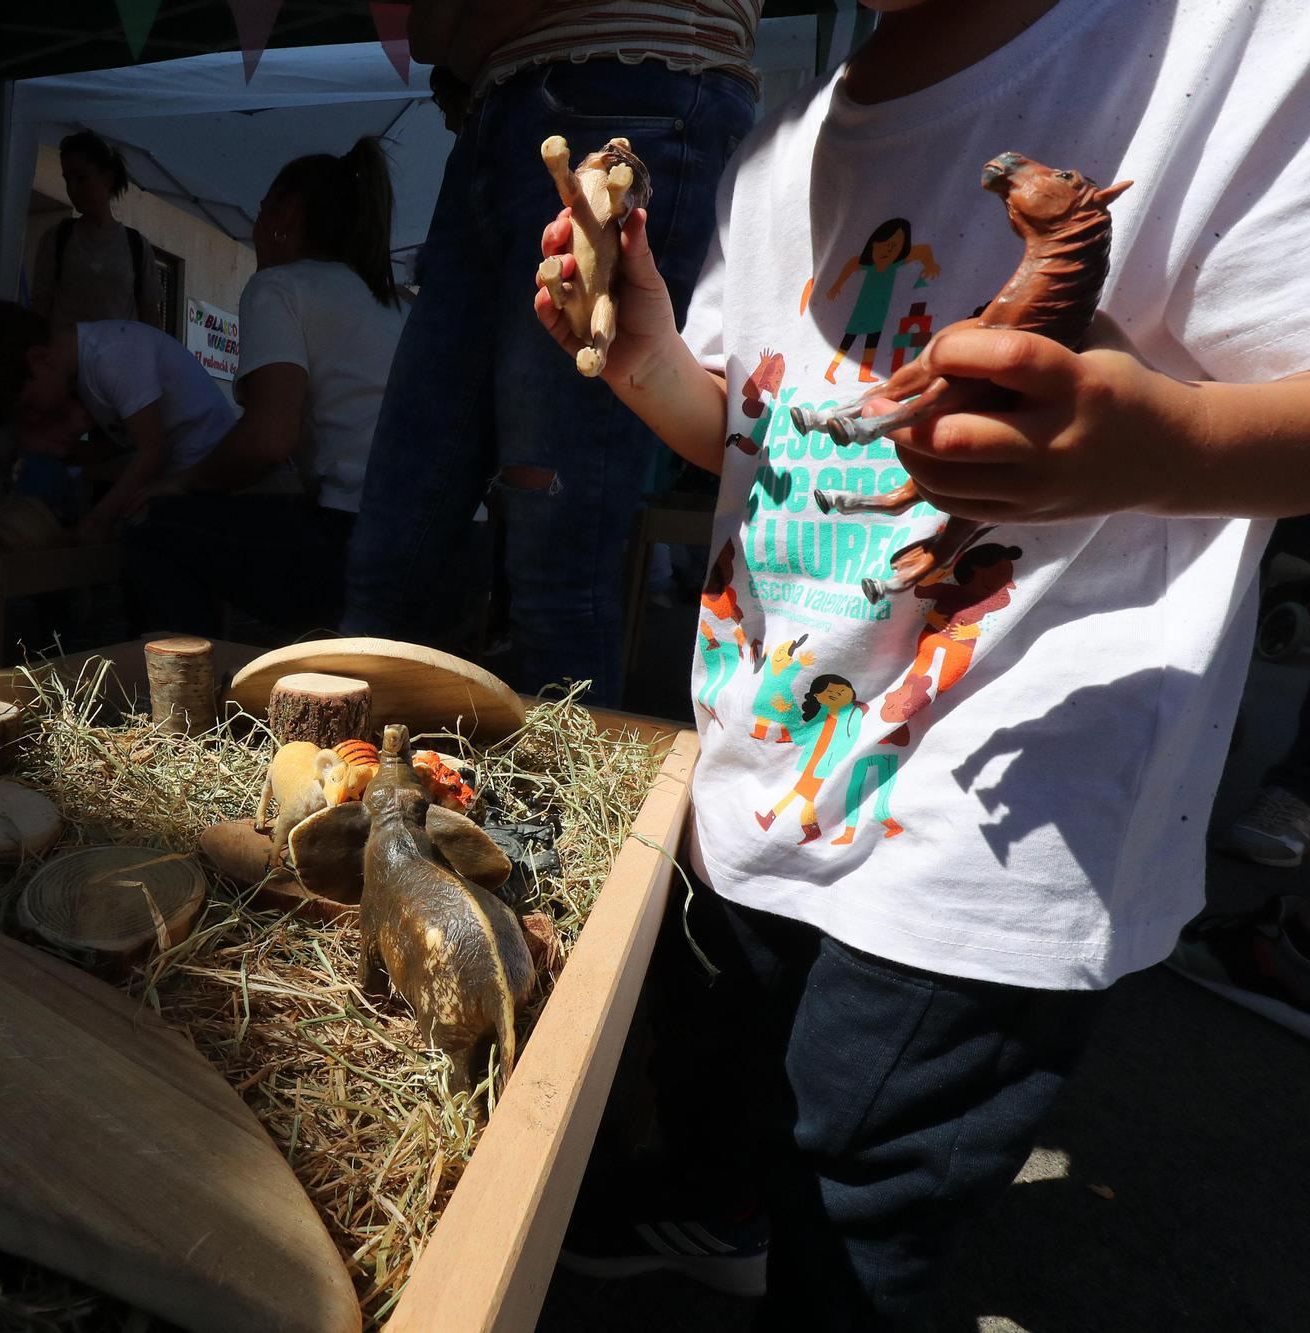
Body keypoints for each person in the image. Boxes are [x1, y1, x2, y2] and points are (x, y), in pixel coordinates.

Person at [532, 0, 1310, 1325]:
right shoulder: (789, 148)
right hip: (763, 757)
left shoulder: (1238, 51)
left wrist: (1171, 446)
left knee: (860, 1176)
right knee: (727, 1038)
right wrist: (651, 354)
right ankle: (723, 1203)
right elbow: (761, 427)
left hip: (990, 811)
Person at [341, 0, 758, 706]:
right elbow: (429, 32)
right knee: (395, 551)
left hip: (627, 84)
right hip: (520, 105)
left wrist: (465, 37)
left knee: (554, 566)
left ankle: (567, 810)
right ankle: (351, 794)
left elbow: (435, 31)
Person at [119, 137, 406, 639]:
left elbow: (270, 440)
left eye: (259, 214)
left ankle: (187, 704)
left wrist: (184, 482)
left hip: (363, 554)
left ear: (285, 216)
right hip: (455, 554)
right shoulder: (396, 302)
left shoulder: (281, 286)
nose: (254, 232)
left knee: (150, 525)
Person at [0, 296, 236, 547]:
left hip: (210, 469)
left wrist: (99, 517)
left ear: (40, 361)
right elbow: (119, 448)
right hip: (176, 474)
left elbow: (152, 450)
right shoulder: (81, 373)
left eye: (29, 405)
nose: (33, 415)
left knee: (158, 553)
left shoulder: (112, 357)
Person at [29, 131, 164, 329]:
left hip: (119, 358)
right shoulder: (55, 239)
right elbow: (39, 311)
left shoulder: (137, 246)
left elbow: (151, 318)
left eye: (81, 178)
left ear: (108, 179)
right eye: (67, 179)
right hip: (67, 358)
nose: (72, 188)